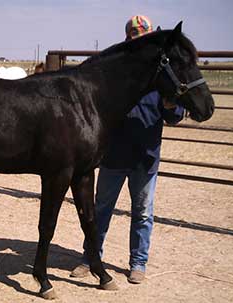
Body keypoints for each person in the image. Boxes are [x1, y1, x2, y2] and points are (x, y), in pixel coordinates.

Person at [70, 15, 185, 284]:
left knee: (143, 212)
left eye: (143, 37)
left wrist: (172, 107)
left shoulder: (159, 78)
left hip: (145, 157)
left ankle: (138, 263)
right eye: (135, 38)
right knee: (101, 210)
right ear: (128, 42)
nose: (140, 42)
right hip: (113, 155)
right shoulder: (117, 78)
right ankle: (90, 258)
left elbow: (175, 115)